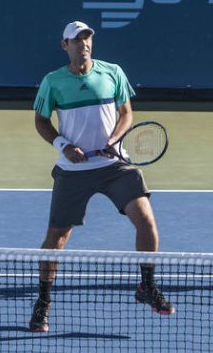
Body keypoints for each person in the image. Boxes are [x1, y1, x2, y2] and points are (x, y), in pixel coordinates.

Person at [29, 21, 175, 333]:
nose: (84, 44)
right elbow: (41, 121)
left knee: (147, 221)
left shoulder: (113, 72)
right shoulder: (52, 82)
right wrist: (63, 145)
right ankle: (42, 301)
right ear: (64, 45)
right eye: (76, 40)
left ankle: (146, 285)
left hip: (115, 166)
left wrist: (113, 141)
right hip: (73, 171)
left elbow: (126, 113)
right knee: (57, 238)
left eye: (87, 38)